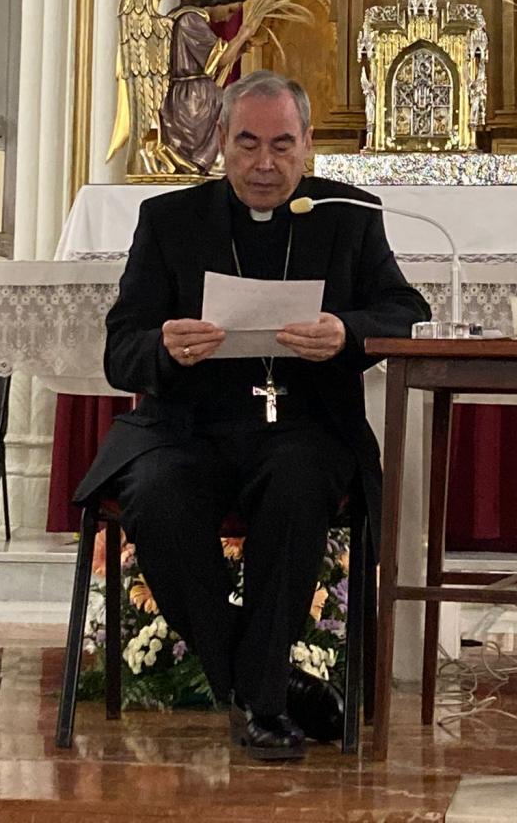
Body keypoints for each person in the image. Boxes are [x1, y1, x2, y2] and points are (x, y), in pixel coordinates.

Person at [75, 71, 430, 760]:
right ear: (219, 141)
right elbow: (122, 350)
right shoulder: (170, 220)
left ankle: (259, 699)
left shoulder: (349, 215)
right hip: (186, 429)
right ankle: (266, 685)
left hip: (305, 427)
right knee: (156, 497)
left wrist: (347, 333)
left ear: (308, 144)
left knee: (298, 486)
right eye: (247, 144)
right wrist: (164, 346)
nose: (265, 164)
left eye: (282, 146)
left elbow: (406, 313)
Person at [158, 0, 247, 173]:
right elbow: (218, 60)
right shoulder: (190, 20)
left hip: (194, 92)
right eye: (230, 10)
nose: (228, 18)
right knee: (232, 107)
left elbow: (216, 61)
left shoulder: (187, 17)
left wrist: (240, 48)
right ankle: (208, 163)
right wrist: (242, 35)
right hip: (192, 98)